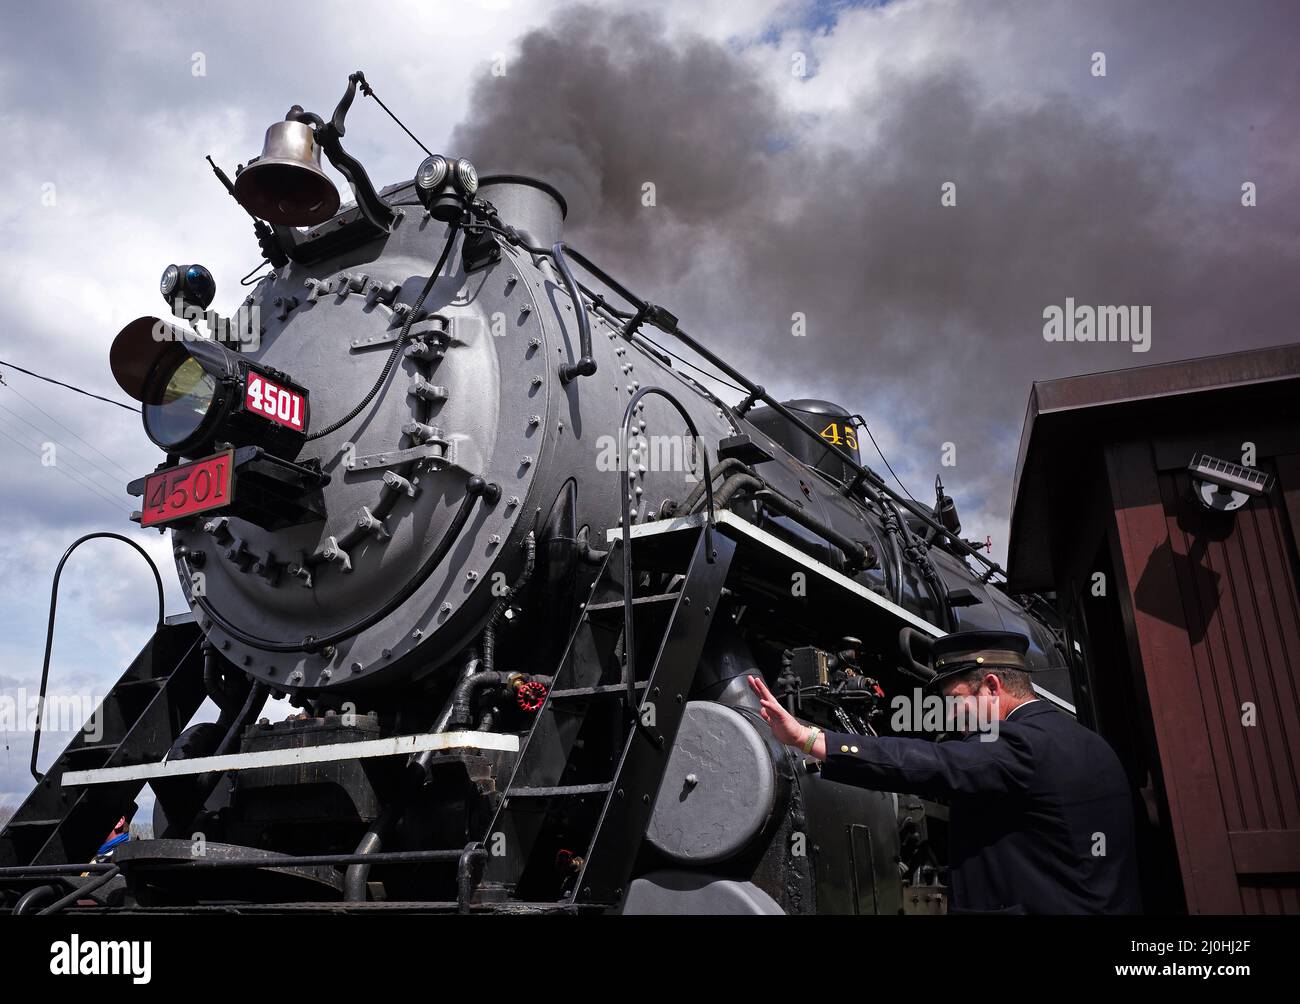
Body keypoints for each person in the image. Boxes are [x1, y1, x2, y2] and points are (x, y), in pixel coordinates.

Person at [747, 629, 1141, 914]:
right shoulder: (1094, 746)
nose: (950, 716)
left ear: (990, 685)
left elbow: (931, 763)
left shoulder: (1021, 744)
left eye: (954, 700)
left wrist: (809, 737)